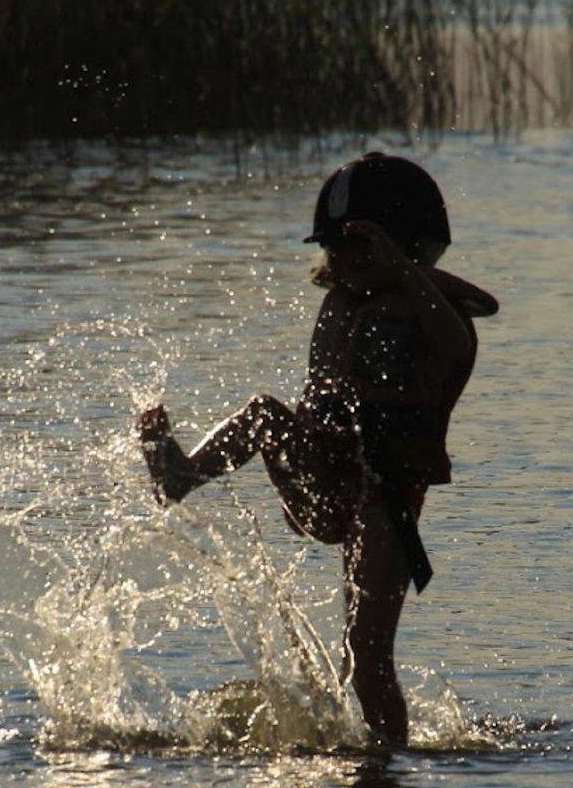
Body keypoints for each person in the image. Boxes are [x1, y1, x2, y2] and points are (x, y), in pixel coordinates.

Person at [136, 153, 497, 749]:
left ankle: (384, 759)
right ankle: (179, 475)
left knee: (366, 649)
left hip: (385, 494)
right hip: (320, 476)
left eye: (354, 247)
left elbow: (461, 342)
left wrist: (405, 274)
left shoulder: (430, 309)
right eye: (332, 249)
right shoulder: (346, 300)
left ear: (407, 249)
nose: (339, 262)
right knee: (261, 414)